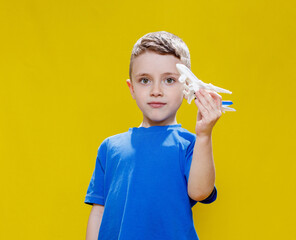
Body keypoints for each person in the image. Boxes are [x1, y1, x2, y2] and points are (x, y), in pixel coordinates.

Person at [84, 31, 223, 240]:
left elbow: (200, 192)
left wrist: (204, 135)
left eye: (169, 80)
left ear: (186, 87)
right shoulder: (110, 147)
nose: (156, 90)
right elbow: (99, 211)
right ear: (131, 88)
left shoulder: (190, 144)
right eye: (145, 80)